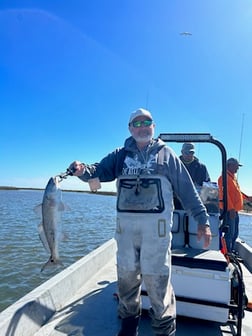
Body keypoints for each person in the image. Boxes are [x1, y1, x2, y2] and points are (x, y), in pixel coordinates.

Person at [68, 108, 212, 336]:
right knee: (126, 282)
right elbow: (97, 171)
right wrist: (82, 170)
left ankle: (164, 331)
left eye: (147, 122)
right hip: (126, 234)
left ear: (153, 126)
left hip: (157, 234)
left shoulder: (167, 155)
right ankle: (127, 330)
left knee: (158, 285)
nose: (142, 126)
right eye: (137, 123)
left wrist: (203, 221)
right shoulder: (120, 155)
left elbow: (187, 190)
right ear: (129, 128)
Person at [218, 157, 245, 253]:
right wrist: (231, 209)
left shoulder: (232, 177)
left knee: (235, 233)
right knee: (229, 233)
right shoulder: (223, 178)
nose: (237, 168)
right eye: (236, 166)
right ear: (229, 166)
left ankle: (231, 251)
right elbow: (224, 194)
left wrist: (247, 197)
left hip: (235, 211)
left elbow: (236, 192)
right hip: (229, 210)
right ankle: (227, 253)